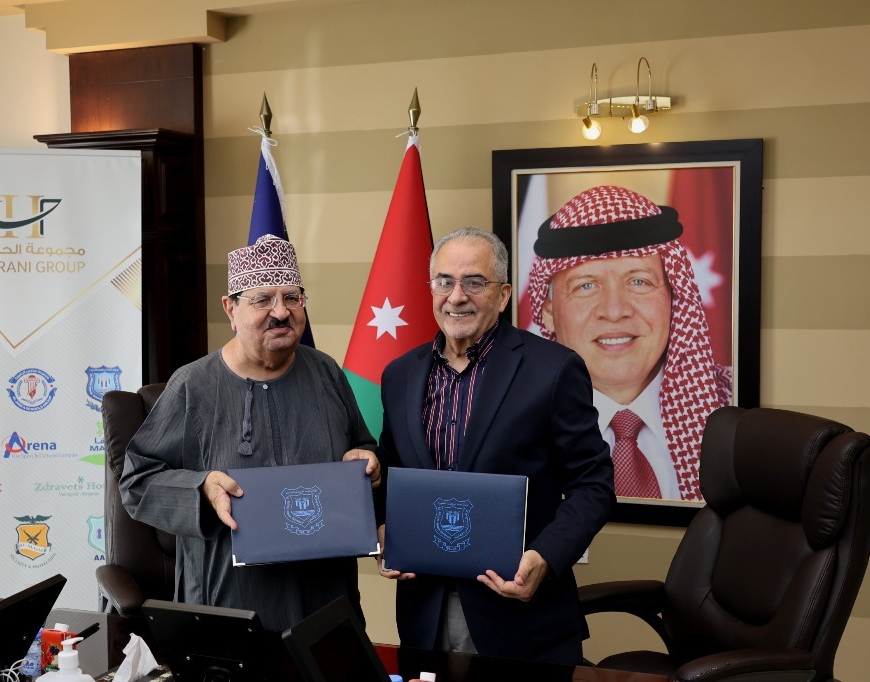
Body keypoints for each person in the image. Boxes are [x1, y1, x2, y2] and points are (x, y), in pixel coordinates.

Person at [375, 227, 614, 665]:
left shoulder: (554, 370)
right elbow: (390, 471)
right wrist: (381, 526)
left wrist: (545, 556)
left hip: (521, 618)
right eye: (444, 281)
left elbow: (593, 485)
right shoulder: (399, 375)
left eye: (474, 282)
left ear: (502, 295)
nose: (457, 297)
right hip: (423, 614)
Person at [120, 234, 379, 632]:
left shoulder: (326, 372)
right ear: (231, 308)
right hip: (230, 602)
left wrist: (366, 461)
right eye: (263, 300)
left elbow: (361, 447)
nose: (282, 312)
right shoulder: (192, 386)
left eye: (292, 298)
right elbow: (137, 482)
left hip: (326, 596)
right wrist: (202, 488)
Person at [526, 185, 731, 502]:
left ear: (674, 297)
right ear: (548, 312)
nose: (615, 311)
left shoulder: (732, 408)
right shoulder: (512, 419)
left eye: (639, 281)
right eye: (586, 286)